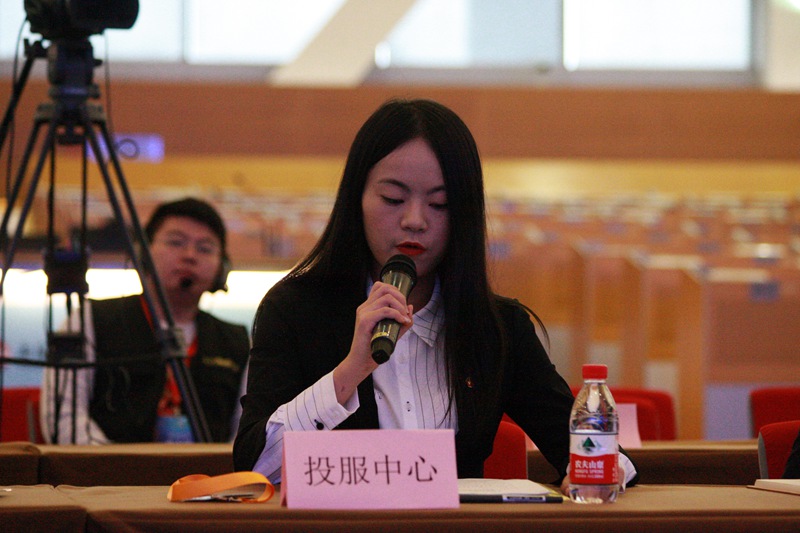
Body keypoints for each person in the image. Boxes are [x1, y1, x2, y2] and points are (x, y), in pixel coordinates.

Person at [233, 99, 638, 493]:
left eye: (440, 204)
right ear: (356, 200)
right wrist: (351, 371)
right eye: (393, 199)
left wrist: (596, 474)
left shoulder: (497, 328)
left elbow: (601, 454)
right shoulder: (294, 311)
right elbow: (255, 468)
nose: (415, 220)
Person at [41, 197, 250, 444]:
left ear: (222, 268)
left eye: (205, 248)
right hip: (108, 468)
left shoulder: (238, 341)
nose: (190, 256)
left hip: (210, 470)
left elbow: (246, 430)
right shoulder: (89, 319)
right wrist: (119, 464)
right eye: (176, 242)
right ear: (143, 254)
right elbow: (63, 416)